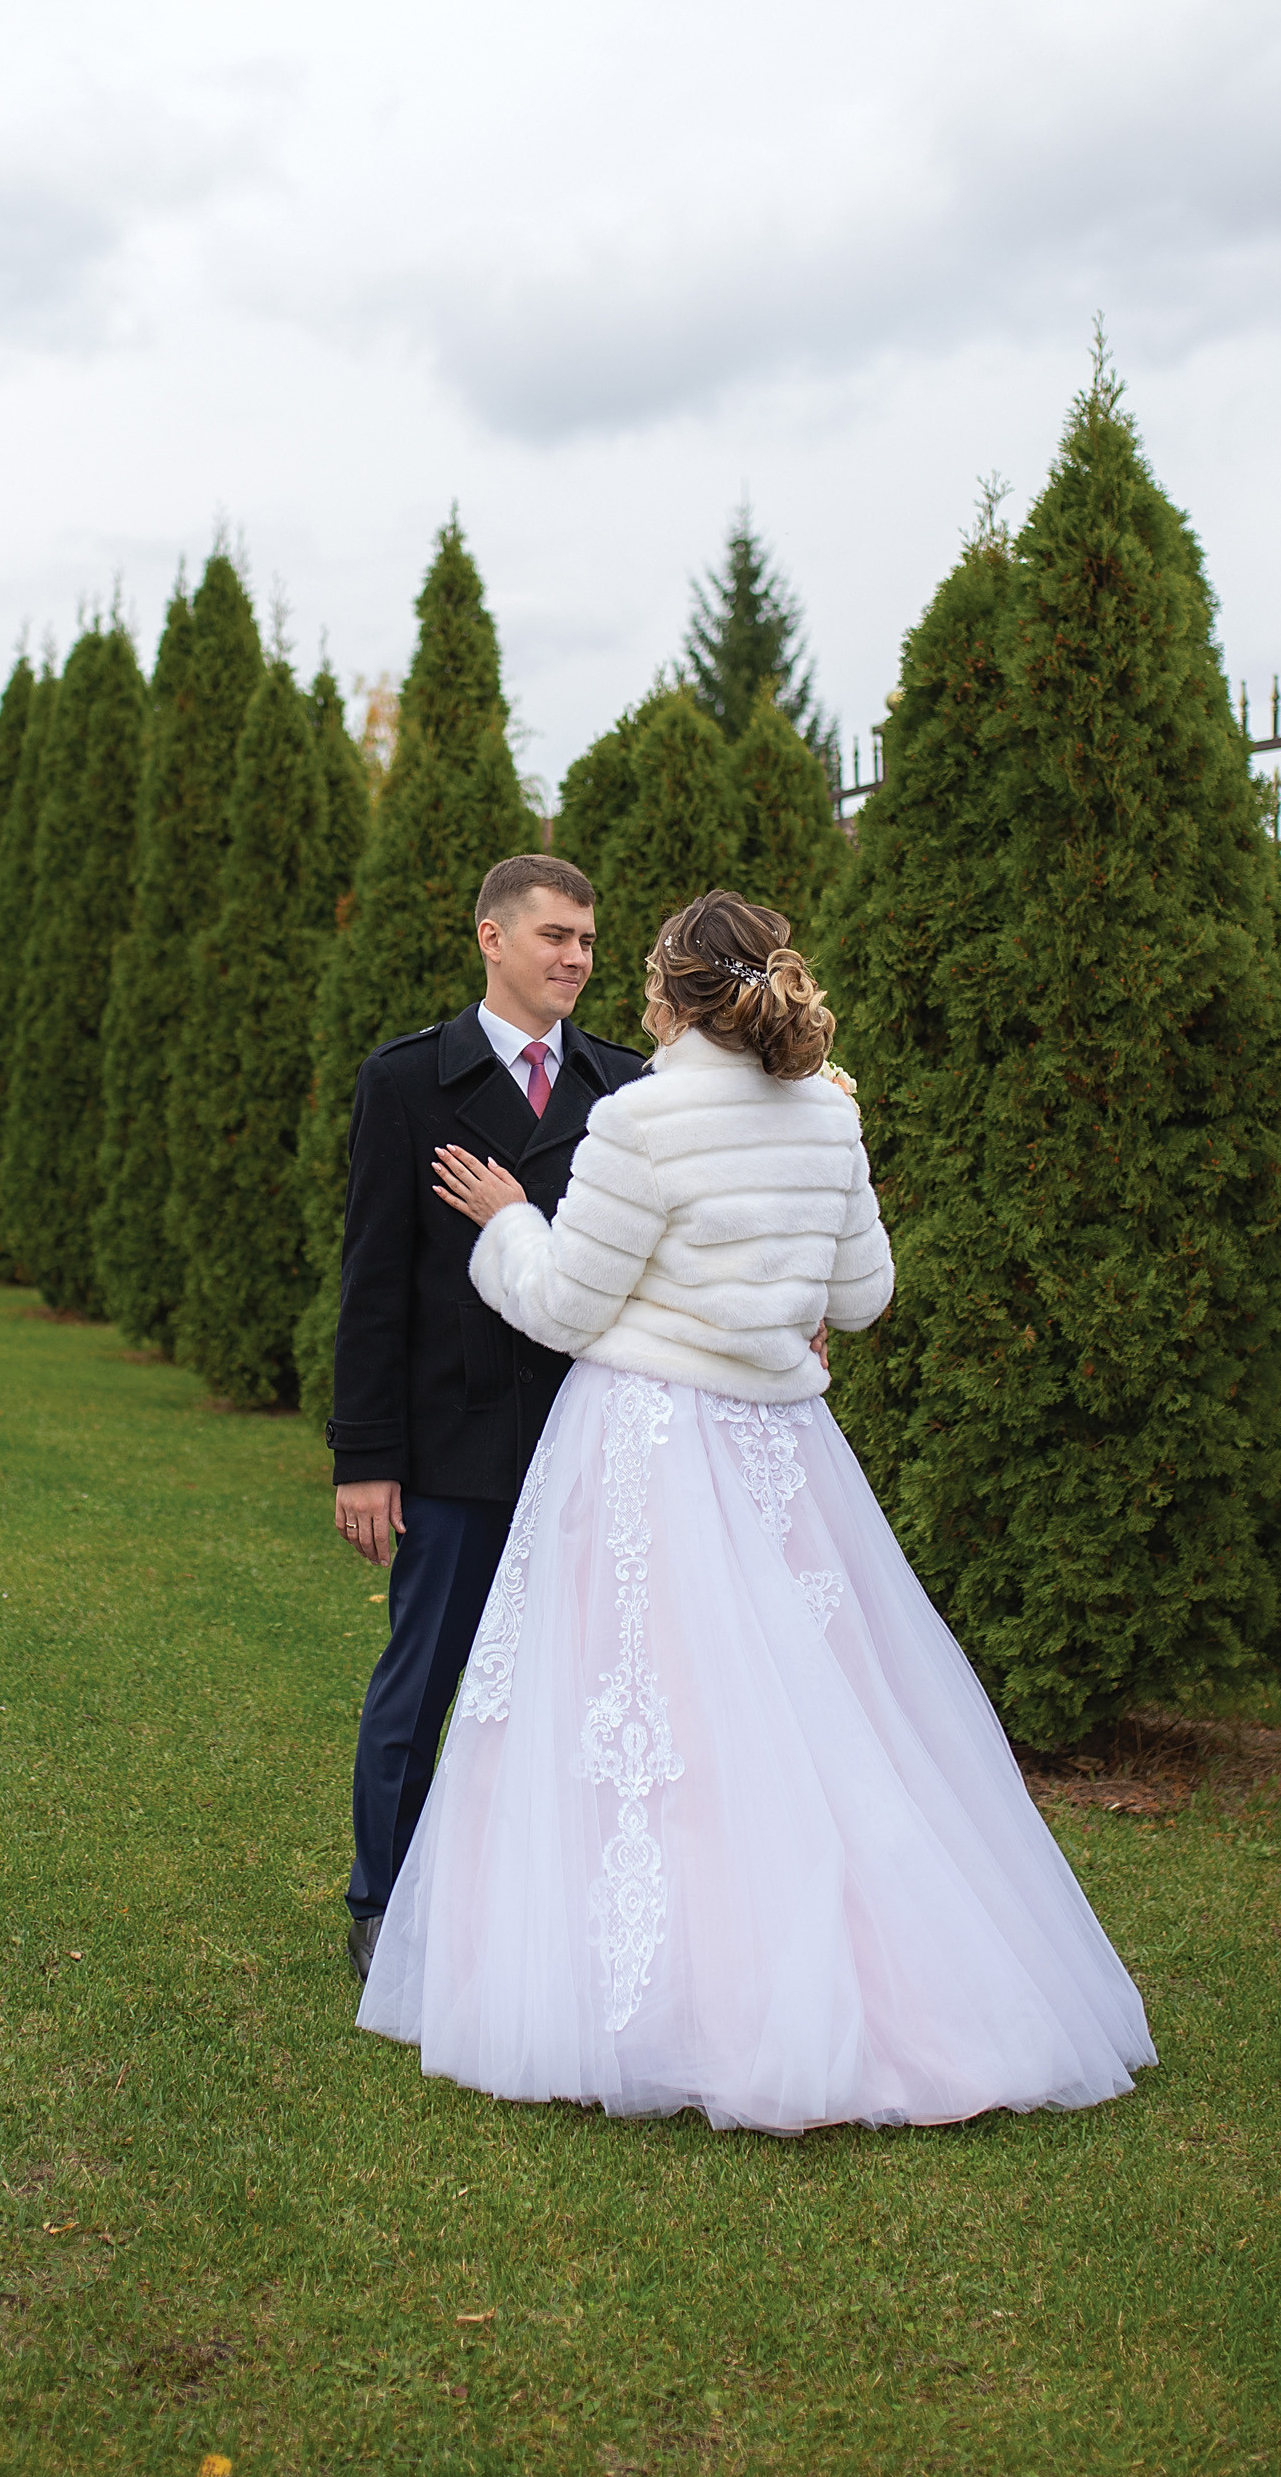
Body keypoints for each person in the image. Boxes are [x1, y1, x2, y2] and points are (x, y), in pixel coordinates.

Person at [355, 889, 1157, 2132]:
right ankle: (826, 1980)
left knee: (647, 1720)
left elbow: (565, 1306)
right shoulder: (827, 1116)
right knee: (804, 1713)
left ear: (671, 991)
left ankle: (667, 2001)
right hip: (784, 1447)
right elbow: (867, 1291)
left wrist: (511, 1222)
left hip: (649, 1443)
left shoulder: (640, 1119)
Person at [328, 854, 650, 1984]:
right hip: (454, 1447)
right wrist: (365, 1459)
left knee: (585, 1688)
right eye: (554, 935)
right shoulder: (409, 1080)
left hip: (591, 1440)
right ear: (491, 938)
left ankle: (548, 1907)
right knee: (424, 1682)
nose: (575, 957)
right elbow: (373, 1282)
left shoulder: (624, 1085)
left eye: (589, 941)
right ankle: (383, 1902)